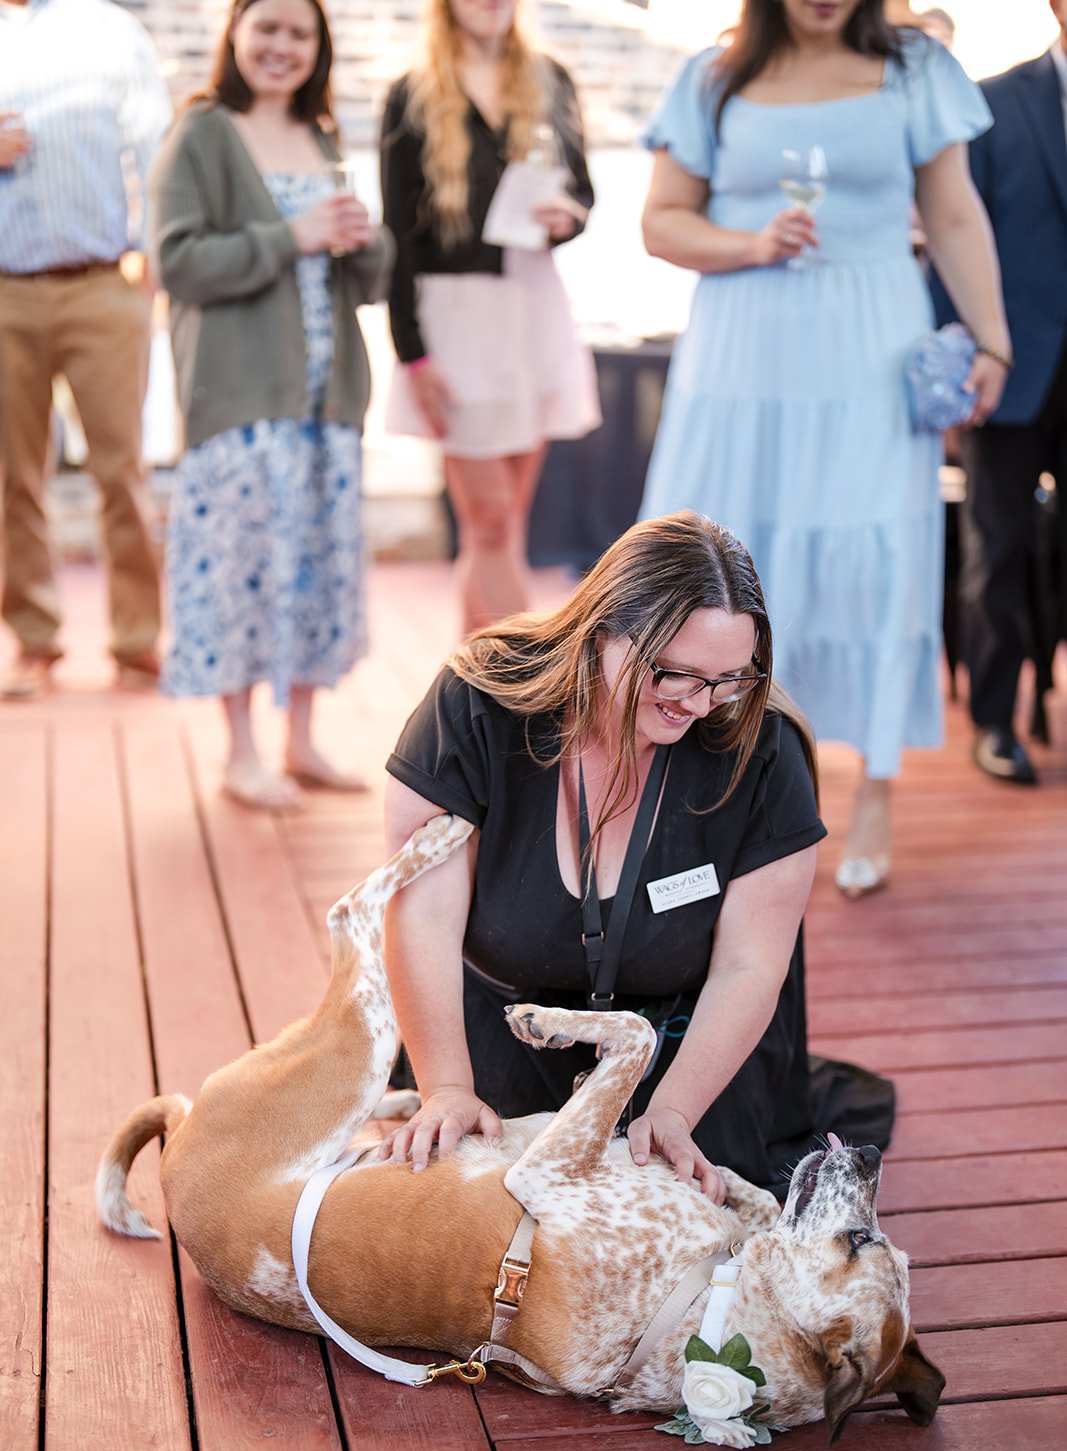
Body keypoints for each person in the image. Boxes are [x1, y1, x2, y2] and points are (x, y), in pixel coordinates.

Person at [378, 511, 894, 1203]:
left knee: (685, 1219)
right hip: (500, 1029)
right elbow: (422, 919)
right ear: (600, 631)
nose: (700, 705)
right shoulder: (477, 701)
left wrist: (675, 1111)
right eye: (676, 674)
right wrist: (445, 1085)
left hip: (685, 1042)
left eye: (729, 678)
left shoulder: (762, 743)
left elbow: (750, 965)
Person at [637, 0, 1010, 899]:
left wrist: (992, 341)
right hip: (740, 350)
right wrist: (748, 242)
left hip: (869, 347)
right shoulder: (711, 76)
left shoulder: (917, 69)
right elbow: (661, 222)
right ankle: (703, 790)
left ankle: (873, 788)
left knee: (872, 561)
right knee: (716, 566)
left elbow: (953, 214)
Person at [149, 0, 394, 813]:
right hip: (241, 402)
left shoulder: (320, 135)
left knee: (314, 569)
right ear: (235, 34)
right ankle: (241, 752)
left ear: (319, 46)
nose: (281, 45)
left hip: (327, 402)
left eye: (299, 32)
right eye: (267, 27)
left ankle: (301, 741)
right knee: (239, 574)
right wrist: (293, 235)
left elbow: (364, 277)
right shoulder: (201, 131)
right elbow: (177, 262)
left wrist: (365, 238)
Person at [379, 0, 602, 637]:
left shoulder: (550, 79)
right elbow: (396, 237)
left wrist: (567, 218)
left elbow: (581, 192)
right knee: (492, 518)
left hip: (532, 308)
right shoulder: (412, 95)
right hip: (454, 322)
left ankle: (470, 676)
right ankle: (527, 677)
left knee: (500, 527)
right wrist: (413, 353)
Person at [0, 0, 172, 700]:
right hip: (5, 291)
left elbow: (157, 151)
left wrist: (152, 265)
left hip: (104, 283)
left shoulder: (108, 28)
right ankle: (33, 639)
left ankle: (138, 641)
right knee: (13, 476)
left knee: (122, 470)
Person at [931, 0, 1067, 786]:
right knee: (997, 547)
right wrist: (957, 368)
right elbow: (951, 234)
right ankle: (994, 722)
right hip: (1006, 372)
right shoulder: (989, 102)